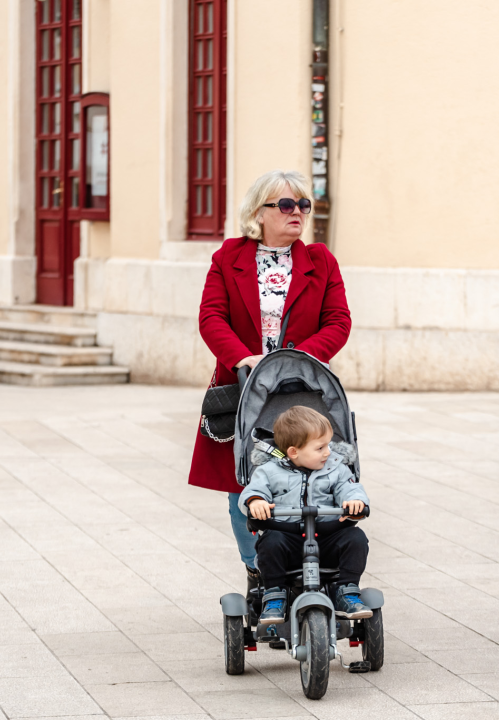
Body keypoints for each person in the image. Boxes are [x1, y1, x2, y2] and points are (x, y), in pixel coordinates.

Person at [188, 170, 351, 597]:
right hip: (245, 387)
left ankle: (309, 566)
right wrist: (244, 357)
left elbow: (338, 321)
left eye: (303, 205)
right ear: (258, 213)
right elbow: (211, 318)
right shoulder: (229, 257)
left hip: (304, 389)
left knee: (312, 476)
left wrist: (297, 360)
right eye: (285, 205)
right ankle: (258, 568)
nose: (296, 213)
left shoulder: (321, 260)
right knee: (243, 484)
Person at [239, 406, 371, 624]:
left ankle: (347, 590)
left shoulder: (335, 468)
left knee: (356, 539)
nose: (327, 452)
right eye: (320, 448)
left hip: (327, 537)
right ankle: (274, 594)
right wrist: (256, 502)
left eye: (328, 445)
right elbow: (254, 490)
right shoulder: (269, 471)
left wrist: (355, 502)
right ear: (294, 452)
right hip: (287, 538)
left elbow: (349, 488)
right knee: (269, 543)